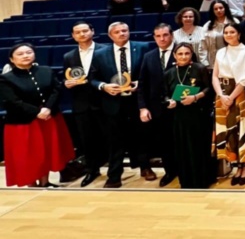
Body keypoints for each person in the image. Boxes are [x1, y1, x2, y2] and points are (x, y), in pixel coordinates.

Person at [0, 43, 74, 187]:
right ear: (12, 59)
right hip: (23, 122)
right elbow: (13, 101)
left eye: (29, 52)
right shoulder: (6, 78)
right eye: (20, 54)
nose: (25, 56)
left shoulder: (46, 70)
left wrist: (48, 108)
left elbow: (56, 90)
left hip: (48, 118)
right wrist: (37, 112)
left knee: (46, 151)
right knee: (29, 155)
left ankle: (45, 182)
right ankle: (31, 184)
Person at [89, 22, 148, 188]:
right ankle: (114, 176)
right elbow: (92, 79)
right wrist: (104, 86)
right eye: (117, 32)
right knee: (115, 141)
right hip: (113, 102)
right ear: (110, 35)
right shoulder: (99, 54)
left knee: (141, 136)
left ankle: (145, 167)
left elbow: (150, 71)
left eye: (124, 30)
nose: (122, 33)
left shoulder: (143, 47)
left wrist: (140, 83)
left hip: (137, 101)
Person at [212, 23, 245, 185]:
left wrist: (231, 97)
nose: (228, 35)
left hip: (239, 93)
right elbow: (215, 76)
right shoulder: (220, 52)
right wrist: (221, 95)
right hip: (222, 93)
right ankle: (237, 164)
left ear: (239, 34)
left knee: (242, 128)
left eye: (232, 32)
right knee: (228, 130)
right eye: (226, 32)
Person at [163, 43, 215, 188]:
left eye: (187, 53)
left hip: (198, 115)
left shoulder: (200, 68)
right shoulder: (169, 73)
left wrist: (196, 97)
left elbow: (209, 88)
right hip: (179, 117)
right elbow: (164, 94)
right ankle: (186, 181)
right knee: (183, 148)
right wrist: (169, 101)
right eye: (180, 54)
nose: (183, 56)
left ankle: (203, 180)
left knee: (199, 147)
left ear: (192, 54)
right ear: (174, 55)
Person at [63, 21, 106, 187]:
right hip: (81, 103)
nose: (82, 34)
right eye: (77, 32)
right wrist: (66, 83)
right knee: (87, 140)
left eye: (85, 30)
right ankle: (92, 170)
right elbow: (67, 77)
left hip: (104, 101)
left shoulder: (106, 50)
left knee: (110, 138)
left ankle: (114, 171)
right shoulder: (68, 56)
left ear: (92, 31)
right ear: (73, 36)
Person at [137, 24, 178, 187]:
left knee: (180, 141)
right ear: (154, 38)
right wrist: (143, 107)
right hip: (157, 108)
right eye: (158, 36)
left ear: (171, 35)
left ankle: (185, 170)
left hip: (180, 106)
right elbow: (142, 84)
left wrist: (178, 99)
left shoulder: (182, 52)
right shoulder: (149, 56)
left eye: (165, 35)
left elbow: (192, 79)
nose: (162, 39)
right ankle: (170, 171)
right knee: (164, 142)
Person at [200, 0, 238, 67]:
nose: (218, 10)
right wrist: (205, 63)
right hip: (214, 61)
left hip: (233, 59)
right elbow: (203, 46)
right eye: (215, 9)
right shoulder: (207, 26)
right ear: (213, 11)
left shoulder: (234, 22)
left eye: (221, 8)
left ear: (225, 8)